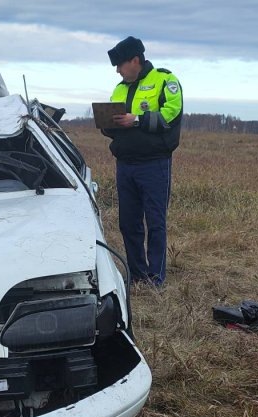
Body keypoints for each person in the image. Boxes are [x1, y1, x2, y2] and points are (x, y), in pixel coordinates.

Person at [103, 36, 183, 287]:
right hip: (125, 164)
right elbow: (115, 124)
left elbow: (171, 115)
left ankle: (156, 278)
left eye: (120, 64)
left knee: (155, 222)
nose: (117, 70)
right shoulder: (120, 88)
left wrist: (135, 120)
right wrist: (107, 124)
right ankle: (137, 275)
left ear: (135, 60)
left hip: (154, 163)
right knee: (128, 223)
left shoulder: (165, 80)